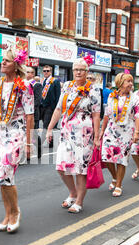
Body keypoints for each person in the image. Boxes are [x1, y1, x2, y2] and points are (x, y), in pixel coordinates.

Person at [0, 48, 34, 233]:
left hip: (16, 134)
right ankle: (7, 214)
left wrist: (29, 143)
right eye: (2, 60)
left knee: (6, 171)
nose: (2, 63)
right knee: (1, 178)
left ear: (16, 65)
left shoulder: (24, 86)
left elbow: (30, 116)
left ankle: (15, 212)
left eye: (7, 61)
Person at [46, 57, 101, 213]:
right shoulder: (67, 87)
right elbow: (58, 109)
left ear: (86, 71)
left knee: (80, 169)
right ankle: (73, 191)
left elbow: (96, 115)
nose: (78, 72)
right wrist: (50, 128)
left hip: (84, 134)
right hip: (67, 132)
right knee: (61, 166)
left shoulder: (93, 89)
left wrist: (96, 137)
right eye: (76, 69)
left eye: (81, 70)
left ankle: (79, 201)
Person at [99, 72, 139, 197]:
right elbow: (107, 114)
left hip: (126, 132)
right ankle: (115, 177)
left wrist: (137, 133)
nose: (130, 84)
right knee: (106, 157)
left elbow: (138, 116)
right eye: (128, 81)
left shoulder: (135, 98)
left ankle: (118, 185)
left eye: (131, 81)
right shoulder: (112, 96)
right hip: (111, 130)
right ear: (120, 83)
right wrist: (102, 130)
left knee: (121, 159)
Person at [40, 65, 61, 130]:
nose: (46, 72)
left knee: (46, 126)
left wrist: (56, 108)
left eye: (47, 71)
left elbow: (58, 95)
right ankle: (48, 138)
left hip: (50, 107)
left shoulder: (55, 81)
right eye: (44, 71)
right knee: (44, 124)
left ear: (51, 72)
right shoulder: (42, 81)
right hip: (42, 107)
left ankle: (45, 139)